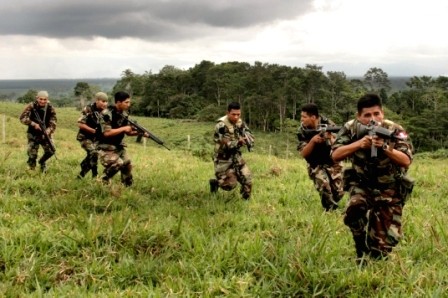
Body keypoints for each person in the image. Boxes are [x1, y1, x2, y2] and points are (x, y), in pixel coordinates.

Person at [332, 93, 414, 261]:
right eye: (367, 115)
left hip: (389, 188)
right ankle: (360, 245)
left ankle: (375, 252)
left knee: (381, 250)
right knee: (354, 208)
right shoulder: (351, 128)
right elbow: (335, 155)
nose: (373, 119)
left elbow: (406, 160)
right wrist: (358, 144)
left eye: (377, 114)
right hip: (362, 184)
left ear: (382, 113)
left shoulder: (394, 129)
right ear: (358, 116)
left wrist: (384, 147)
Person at [297, 103, 344, 211]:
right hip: (315, 162)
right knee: (324, 186)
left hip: (331, 160)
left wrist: (330, 139)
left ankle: (333, 204)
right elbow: (303, 153)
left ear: (313, 117)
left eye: (304, 117)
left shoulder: (329, 124)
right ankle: (329, 210)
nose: (301, 120)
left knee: (339, 192)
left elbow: (339, 145)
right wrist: (313, 141)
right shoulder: (302, 131)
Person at [97, 91, 145, 186]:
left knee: (127, 164)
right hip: (104, 147)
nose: (129, 104)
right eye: (126, 102)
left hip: (118, 146)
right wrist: (124, 128)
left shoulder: (124, 114)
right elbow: (107, 133)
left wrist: (141, 133)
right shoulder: (106, 114)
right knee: (118, 163)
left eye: (129, 102)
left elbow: (128, 132)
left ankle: (127, 186)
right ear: (118, 102)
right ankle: (103, 180)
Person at [209, 101, 253, 200]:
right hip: (223, 159)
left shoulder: (240, 122)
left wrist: (249, 138)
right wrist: (239, 142)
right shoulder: (220, 126)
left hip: (236, 156)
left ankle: (245, 201)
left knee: (247, 178)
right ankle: (215, 183)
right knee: (230, 185)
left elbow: (247, 131)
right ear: (228, 113)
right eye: (233, 114)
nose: (236, 117)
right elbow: (225, 143)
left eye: (238, 114)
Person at [19, 90, 57, 172]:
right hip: (33, 133)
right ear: (37, 98)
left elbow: (53, 122)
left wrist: (48, 130)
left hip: (45, 133)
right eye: (41, 99)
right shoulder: (31, 106)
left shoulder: (50, 108)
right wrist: (33, 124)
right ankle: (31, 169)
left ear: (47, 99)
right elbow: (22, 118)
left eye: (45, 99)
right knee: (32, 154)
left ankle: (42, 162)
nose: (42, 101)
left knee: (51, 151)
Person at [76, 92, 109, 179]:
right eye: (103, 101)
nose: (105, 104)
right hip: (85, 137)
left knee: (93, 155)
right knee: (93, 153)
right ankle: (92, 174)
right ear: (97, 100)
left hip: (97, 139)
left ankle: (83, 170)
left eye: (106, 101)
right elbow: (80, 124)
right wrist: (93, 131)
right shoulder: (88, 109)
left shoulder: (106, 112)